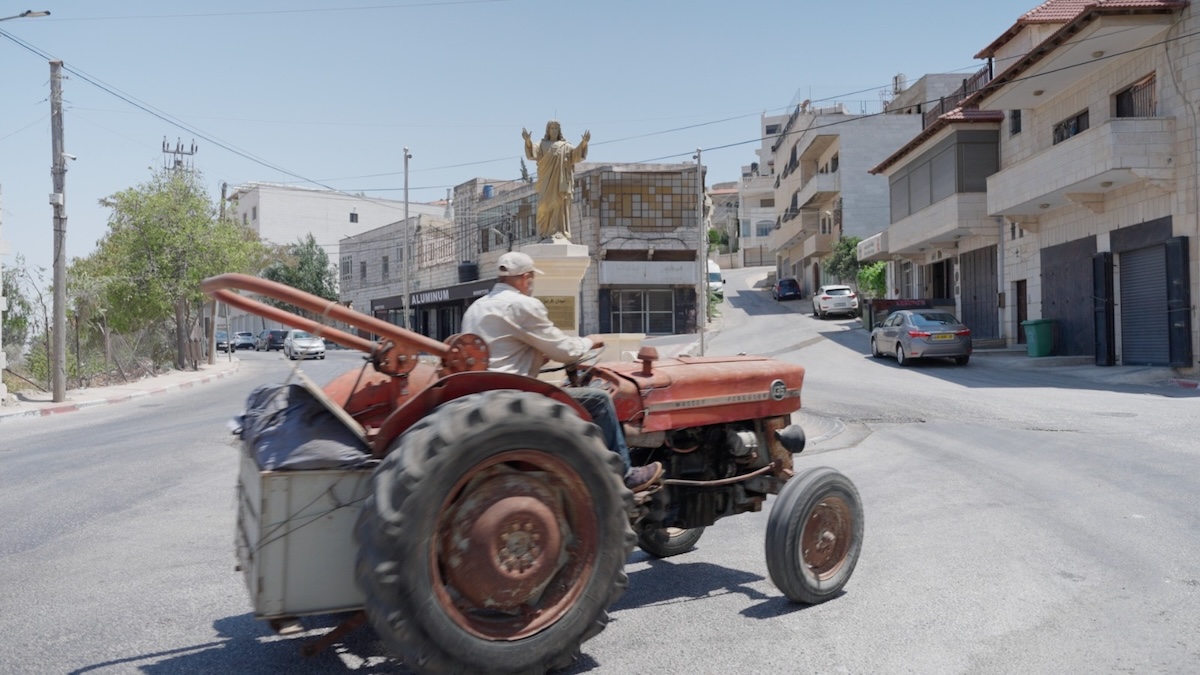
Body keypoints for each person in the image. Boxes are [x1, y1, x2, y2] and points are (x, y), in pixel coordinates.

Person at [462, 251, 664, 492]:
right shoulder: (523, 305)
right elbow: (566, 351)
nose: (531, 285)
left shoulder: (476, 308)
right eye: (532, 279)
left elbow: (501, 350)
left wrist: (536, 354)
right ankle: (624, 474)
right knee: (599, 400)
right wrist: (589, 341)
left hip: (485, 394)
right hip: (515, 397)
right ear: (526, 278)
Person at [522, 120, 590, 241]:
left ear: (559, 131)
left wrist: (584, 143)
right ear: (548, 130)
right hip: (546, 182)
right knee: (544, 206)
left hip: (560, 183)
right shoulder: (542, 144)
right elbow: (532, 153)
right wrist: (528, 141)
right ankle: (544, 233)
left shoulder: (565, 145)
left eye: (556, 129)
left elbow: (575, 155)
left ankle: (558, 231)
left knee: (558, 204)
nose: (554, 131)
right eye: (552, 128)